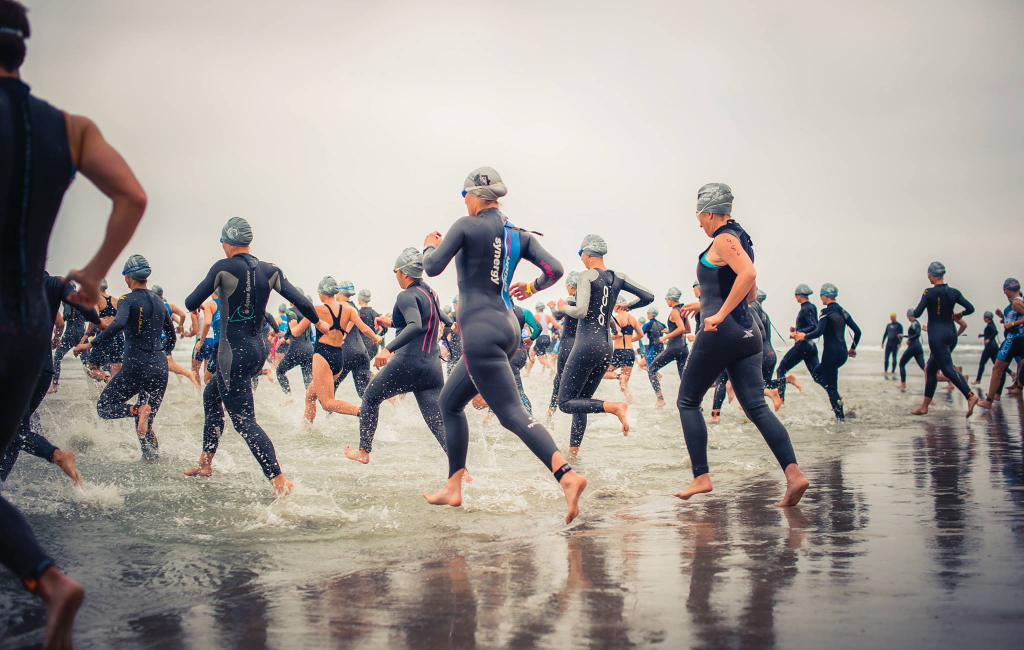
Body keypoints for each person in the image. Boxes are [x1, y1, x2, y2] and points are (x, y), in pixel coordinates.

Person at [1, 1, 148, 641]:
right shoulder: (71, 128)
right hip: (31, 326)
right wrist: (92, 274)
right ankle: (50, 582)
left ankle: (48, 578)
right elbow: (133, 195)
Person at [420, 166, 586, 524]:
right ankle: (453, 485)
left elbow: (431, 267)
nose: (463, 202)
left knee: (512, 413)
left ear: (475, 196)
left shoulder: (465, 226)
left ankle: (566, 476)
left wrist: (430, 243)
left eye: (464, 195)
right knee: (449, 402)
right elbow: (555, 270)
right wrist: (532, 288)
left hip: (480, 331)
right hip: (507, 328)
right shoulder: (518, 234)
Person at [675, 183, 808, 506]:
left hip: (723, 331)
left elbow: (748, 274)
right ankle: (794, 476)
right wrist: (705, 301)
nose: (699, 224)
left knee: (688, 401)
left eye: (699, 216)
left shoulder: (723, 237)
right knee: (756, 406)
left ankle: (701, 476)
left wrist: (718, 312)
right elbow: (748, 292)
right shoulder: (742, 237)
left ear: (709, 212)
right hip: (749, 334)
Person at [182, 217, 324, 493]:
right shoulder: (270, 270)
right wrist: (319, 322)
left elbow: (190, 302)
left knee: (245, 422)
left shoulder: (222, 268)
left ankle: (279, 480)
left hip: (231, 354)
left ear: (227, 241)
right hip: (257, 352)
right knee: (211, 397)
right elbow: (304, 303)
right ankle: (205, 463)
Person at [344, 249, 451, 463]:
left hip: (407, 363)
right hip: (432, 368)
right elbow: (440, 321)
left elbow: (415, 325)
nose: (395, 276)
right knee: (438, 423)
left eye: (395, 271)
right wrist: (390, 323)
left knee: (370, 398)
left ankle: (364, 452)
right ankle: (461, 469)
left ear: (403, 272)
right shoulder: (431, 293)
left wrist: (387, 349)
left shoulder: (406, 295)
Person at [557, 234, 651, 458]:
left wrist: (562, 307)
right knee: (582, 401)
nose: (581, 259)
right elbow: (648, 296)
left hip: (586, 345)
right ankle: (573, 453)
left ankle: (615, 406)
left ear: (587, 254)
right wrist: (629, 304)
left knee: (565, 403)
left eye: (581, 255)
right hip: (606, 347)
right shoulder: (618, 276)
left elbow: (579, 311)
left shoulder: (586, 275)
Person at [75, 255, 176, 458]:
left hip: (135, 366)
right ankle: (151, 461)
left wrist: (90, 343)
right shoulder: (159, 301)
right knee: (147, 423)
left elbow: (118, 324)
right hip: (159, 367)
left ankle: (136, 411)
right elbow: (172, 336)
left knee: (104, 407)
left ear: (128, 277)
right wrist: (160, 354)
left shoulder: (126, 300)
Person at [1, 272, 96, 485]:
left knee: (16, 430)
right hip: (44, 370)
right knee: (16, 429)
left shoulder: (14, 285)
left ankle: (58, 455)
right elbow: (65, 320)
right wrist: (54, 339)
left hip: (19, 371)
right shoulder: (52, 286)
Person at [294, 277, 380, 423]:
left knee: (327, 403)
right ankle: (306, 429)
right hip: (338, 357)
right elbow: (365, 329)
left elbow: (296, 332)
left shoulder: (316, 310)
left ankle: (363, 412)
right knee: (310, 396)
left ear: (322, 293)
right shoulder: (349, 310)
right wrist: (377, 339)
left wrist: (291, 327)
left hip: (322, 356)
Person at [908, 262, 978, 417]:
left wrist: (914, 309)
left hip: (937, 336)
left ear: (932, 275)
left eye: (928, 274)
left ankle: (970, 396)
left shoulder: (928, 292)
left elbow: (917, 313)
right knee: (931, 369)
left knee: (947, 368)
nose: (928, 277)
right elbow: (971, 308)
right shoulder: (954, 292)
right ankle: (924, 406)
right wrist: (960, 314)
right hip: (951, 334)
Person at [793, 283, 861, 421]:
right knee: (817, 373)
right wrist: (852, 348)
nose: (820, 299)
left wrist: (803, 336)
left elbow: (818, 332)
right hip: (842, 354)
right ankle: (836, 401)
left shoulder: (825, 312)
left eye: (821, 296)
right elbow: (858, 331)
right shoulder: (843, 311)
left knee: (831, 387)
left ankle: (840, 419)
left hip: (831, 354)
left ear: (825, 296)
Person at [977, 278, 1024, 410]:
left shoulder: (1016, 302)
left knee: (997, 370)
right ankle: (1016, 388)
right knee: (1021, 370)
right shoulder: (1017, 302)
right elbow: (1014, 319)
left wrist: (1012, 324)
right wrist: (1003, 317)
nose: (1004, 293)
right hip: (1019, 339)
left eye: (1004, 290)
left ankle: (989, 400)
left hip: (1013, 340)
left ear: (1008, 289)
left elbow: (1013, 323)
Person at [647, 287, 690, 408]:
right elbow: (688, 329)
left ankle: (660, 399)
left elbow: (681, 328)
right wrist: (669, 330)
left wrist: (664, 337)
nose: (666, 301)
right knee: (683, 378)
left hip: (673, 348)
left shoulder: (674, 311)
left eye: (666, 299)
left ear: (671, 299)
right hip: (683, 348)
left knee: (651, 370)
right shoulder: (683, 310)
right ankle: (691, 403)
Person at [333, 280, 375, 398]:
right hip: (362, 352)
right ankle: (371, 415)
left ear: (340, 292)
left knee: (331, 388)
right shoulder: (355, 307)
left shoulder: (341, 307)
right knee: (364, 393)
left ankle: (327, 416)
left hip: (345, 353)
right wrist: (376, 339)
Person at [152, 284, 200, 387]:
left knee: (166, 364)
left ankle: (187, 374)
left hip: (161, 339)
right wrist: (181, 326)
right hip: (168, 338)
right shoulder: (169, 306)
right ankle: (178, 378)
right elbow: (182, 315)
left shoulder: (154, 306)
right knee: (168, 361)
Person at [547, 272, 579, 418]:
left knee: (559, 379)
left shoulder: (570, 300)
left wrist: (553, 307)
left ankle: (551, 411)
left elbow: (558, 315)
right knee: (577, 380)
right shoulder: (585, 302)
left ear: (570, 286)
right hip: (580, 344)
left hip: (567, 344)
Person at [275, 297, 315, 394]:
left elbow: (293, 323)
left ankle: (288, 395)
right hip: (309, 348)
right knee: (308, 379)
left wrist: (285, 337)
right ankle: (312, 401)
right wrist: (285, 338)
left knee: (280, 371)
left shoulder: (290, 311)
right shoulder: (307, 312)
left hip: (296, 348)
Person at [609, 299, 643, 401]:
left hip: (619, 351)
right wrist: (629, 339)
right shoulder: (632, 318)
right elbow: (641, 334)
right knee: (625, 384)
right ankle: (630, 403)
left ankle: (618, 376)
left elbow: (617, 334)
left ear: (618, 306)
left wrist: (609, 336)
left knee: (603, 372)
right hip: (630, 352)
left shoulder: (617, 318)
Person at [895, 309, 925, 390]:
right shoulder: (916, 323)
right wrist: (907, 337)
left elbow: (917, 334)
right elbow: (915, 334)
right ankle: (938, 378)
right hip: (918, 346)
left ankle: (903, 383)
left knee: (901, 364)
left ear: (909, 315)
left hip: (913, 347)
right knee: (924, 367)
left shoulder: (914, 323)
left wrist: (907, 337)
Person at [357, 288, 386, 359]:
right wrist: (377, 335)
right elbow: (385, 329)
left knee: (360, 367)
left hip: (360, 344)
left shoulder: (357, 313)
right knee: (366, 367)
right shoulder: (374, 313)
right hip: (372, 345)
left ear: (359, 299)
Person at [974, 311, 1000, 384]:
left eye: (984, 317)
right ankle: (1011, 373)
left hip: (990, 347)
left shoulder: (990, 325)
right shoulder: (991, 325)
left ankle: (978, 380)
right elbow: (990, 333)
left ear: (987, 318)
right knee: (997, 364)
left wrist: (989, 339)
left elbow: (995, 332)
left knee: (982, 363)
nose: (983, 319)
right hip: (994, 347)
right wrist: (983, 335)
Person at [881, 312, 903, 377]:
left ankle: (893, 371)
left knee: (894, 357)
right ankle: (885, 370)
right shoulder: (888, 325)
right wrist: (882, 342)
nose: (892, 318)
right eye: (891, 317)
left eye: (893, 317)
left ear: (895, 317)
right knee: (886, 357)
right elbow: (885, 334)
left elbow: (900, 335)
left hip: (895, 343)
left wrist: (899, 343)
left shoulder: (899, 325)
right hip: (889, 343)